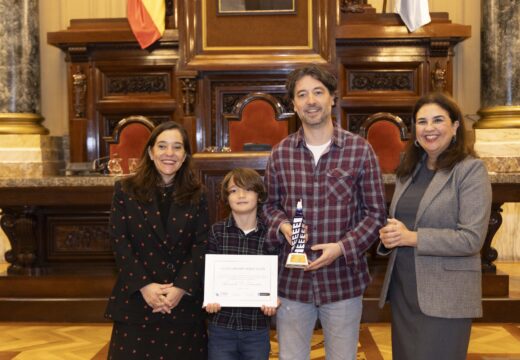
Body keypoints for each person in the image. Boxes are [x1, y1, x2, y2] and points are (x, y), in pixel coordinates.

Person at [263, 64, 387, 360]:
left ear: (332, 98)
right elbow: (267, 206)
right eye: (302, 94)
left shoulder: (360, 150)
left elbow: (375, 213)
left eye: (318, 92)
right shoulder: (280, 153)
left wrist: (343, 248)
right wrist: (282, 226)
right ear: (294, 104)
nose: (311, 101)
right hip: (293, 282)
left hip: (342, 280)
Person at [377, 92, 492, 360]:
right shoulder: (409, 171)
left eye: (437, 120)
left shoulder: (470, 170)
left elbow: (471, 239)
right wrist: (390, 236)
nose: (429, 128)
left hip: (445, 294)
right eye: (422, 121)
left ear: (454, 127)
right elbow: (404, 224)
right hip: (405, 290)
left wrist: (411, 238)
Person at [104, 121, 209, 359]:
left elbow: (201, 244)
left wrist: (181, 287)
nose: (169, 153)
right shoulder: (125, 190)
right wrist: (145, 285)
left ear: (185, 156)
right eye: (162, 146)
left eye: (177, 147)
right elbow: (119, 241)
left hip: (182, 302)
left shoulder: (198, 194)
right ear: (150, 152)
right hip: (137, 299)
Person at [205, 167, 279, 360]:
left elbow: (277, 275)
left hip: (256, 328)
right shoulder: (217, 232)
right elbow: (208, 274)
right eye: (233, 190)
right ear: (226, 198)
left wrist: (273, 297)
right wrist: (209, 296)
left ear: (259, 195)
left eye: (247, 189)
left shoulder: (270, 234)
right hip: (221, 326)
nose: (241, 195)